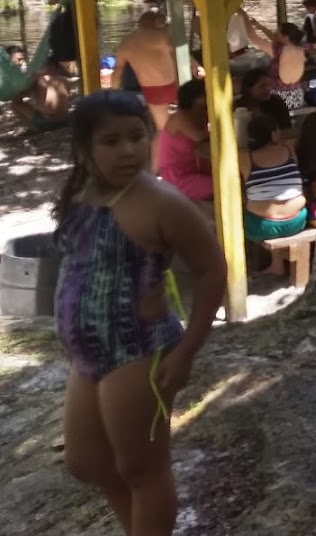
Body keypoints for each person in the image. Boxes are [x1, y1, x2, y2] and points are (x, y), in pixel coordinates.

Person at [54, 90, 225, 536]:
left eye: (136, 137)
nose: (128, 150)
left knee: (141, 467)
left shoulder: (161, 202)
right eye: (111, 141)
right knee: (87, 461)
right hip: (88, 355)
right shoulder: (80, 192)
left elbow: (211, 270)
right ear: (85, 150)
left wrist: (187, 351)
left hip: (138, 350)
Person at [241, 113, 308, 274]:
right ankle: (277, 263)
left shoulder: (244, 157)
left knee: (244, 205)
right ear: (273, 134)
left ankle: (275, 263)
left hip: (262, 227)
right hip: (296, 221)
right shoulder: (288, 149)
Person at [112, 10, 184, 137]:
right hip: (171, 83)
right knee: (174, 125)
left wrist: (113, 93)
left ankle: (164, 146)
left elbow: (117, 71)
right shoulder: (161, 36)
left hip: (151, 89)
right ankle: (170, 149)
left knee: (162, 128)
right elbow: (181, 52)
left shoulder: (127, 42)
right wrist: (196, 66)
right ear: (155, 23)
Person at [157, 80, 212, 202]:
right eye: (205, 95)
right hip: (178, 178)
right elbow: (200, 138)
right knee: (223, 185)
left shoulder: (201, 116)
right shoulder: (180, 117)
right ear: (193, 99)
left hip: (194, 171)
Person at [241, 15, 307, 111]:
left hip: (279, 100)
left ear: (285, 36)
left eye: (278, 31)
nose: (275, 33)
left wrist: (243, 15)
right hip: (297, 98)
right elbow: (274, 38)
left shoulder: (277, 51)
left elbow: (252, 36)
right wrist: (259, 26)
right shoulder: (300, 48)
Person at [13, 57, 71, 132]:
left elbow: (18, 97)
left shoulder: (40, 80)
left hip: (49, 122)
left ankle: (33, 129)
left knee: (14, 104)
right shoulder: (65, 80)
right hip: (64, 119)